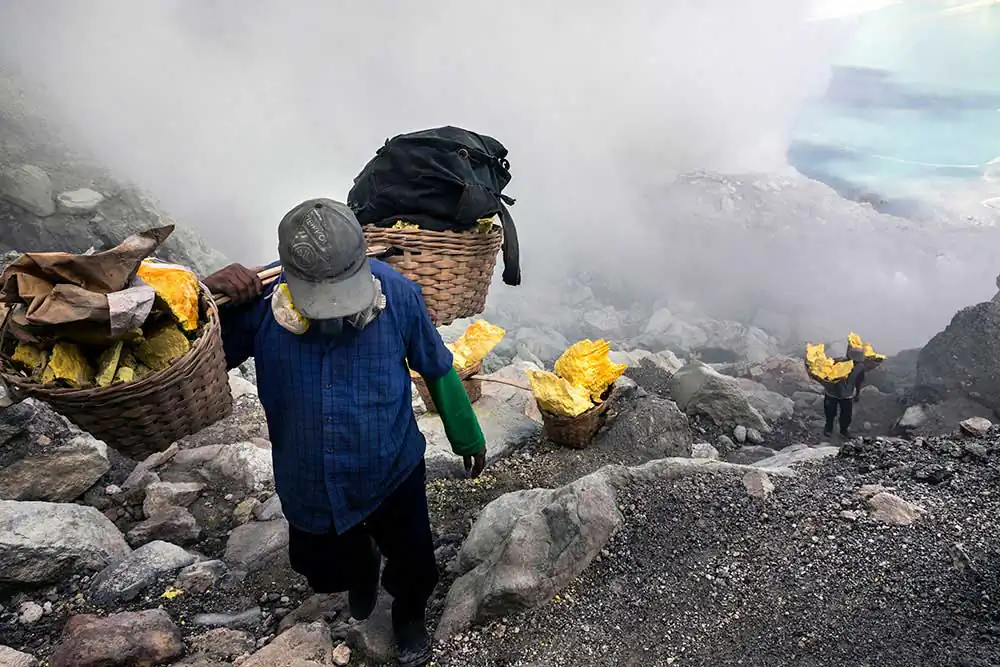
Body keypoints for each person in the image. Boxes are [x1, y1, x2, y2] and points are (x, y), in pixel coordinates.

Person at [204, 198, 487, 667]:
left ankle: (409, 614)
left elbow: (436, 367)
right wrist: (205, 295)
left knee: (415, 560)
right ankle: (361, 567)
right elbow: (194, 360)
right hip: (309, 475)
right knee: (320, 567)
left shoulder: (396, 293)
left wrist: (467, 435)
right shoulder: (257, 306)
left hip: (391, 464)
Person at [822, 345, 867, 439]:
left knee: (846, 415)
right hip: (832, 392)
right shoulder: (838, 362)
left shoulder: (860, 367)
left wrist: (857, 393)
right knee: (830, 412)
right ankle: (828, 428)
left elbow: (859, 381)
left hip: (847, 394)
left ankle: (844, 430)